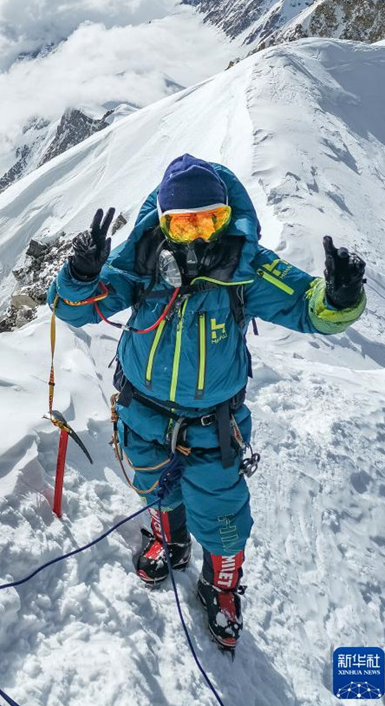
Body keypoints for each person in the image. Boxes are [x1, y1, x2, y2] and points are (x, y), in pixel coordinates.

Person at [46, 154, 366, 652]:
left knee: (222, 514)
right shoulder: (143, 261)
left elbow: (308, 307)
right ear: (164, 223)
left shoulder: (245, 266)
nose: (197, 235)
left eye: (209, 220)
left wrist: (340, 298)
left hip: (213, 425)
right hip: (142, 411)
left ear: (226, 217)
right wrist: (80, 274)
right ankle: (170, 542)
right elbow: (73, 308)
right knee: (154, 485)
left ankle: (221, 587)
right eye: (184, 223)